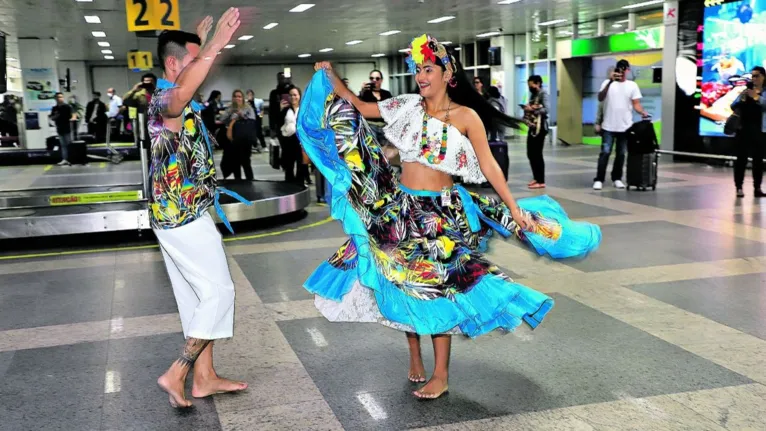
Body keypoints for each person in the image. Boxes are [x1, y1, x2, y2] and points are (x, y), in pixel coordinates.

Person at [301, 34, 601, 400]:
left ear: (447, 74)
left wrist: (513, 207)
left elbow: (489, 166)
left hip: (440, 214)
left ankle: (441, 374)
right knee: (397, 278)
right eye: (417, 70)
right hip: (401, 208)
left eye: (428, 69)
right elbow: (359, 107)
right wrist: (330, 76)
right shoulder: (406, 106)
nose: (421, 76)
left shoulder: (465, 117)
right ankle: (415, 354)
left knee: (438, 286)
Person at [148, 10, 251, 408]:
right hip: (182, 217)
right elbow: (181, 94)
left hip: (177, 215)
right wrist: (213, 47)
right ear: (173, 64)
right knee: (220, 292)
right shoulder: (164, 99)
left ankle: (204, 378)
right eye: (193, 62)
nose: (201, 71)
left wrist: (205, 48)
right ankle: (178, 371)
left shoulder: (175, 98)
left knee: (196, 298)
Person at [594, 59, 649, 190]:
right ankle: (599, 179)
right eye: (619, 69)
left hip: (625, 126)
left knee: (621, 153)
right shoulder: (607, 83)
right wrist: (611, 81)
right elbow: (600, 98)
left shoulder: (632, 86)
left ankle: (617, 178)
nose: (622, 72)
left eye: (624, 69)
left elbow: (636, 103)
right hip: (608, 125)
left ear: (628, 70)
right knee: (605, 152)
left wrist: (642, 112)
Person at [730, 66, 765, 198]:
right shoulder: (745, 91)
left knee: (758, 161)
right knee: (741, 160)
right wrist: (742, 98)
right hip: (743, 130)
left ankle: (757, 188)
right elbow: (733, 105)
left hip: (760, 131)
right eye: (753, 76)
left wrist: (757, 97)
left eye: (757, 76)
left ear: (763, 77)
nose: (754, 79)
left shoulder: (764, 92)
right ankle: (739, 187)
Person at [221, 89, 256, 180]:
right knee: (235, 163)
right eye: (235, 96)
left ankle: (250, 181)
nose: (237, 98)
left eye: (239, 96)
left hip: (245, 139)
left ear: (242, 98)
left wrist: (242, 116)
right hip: (233, 139)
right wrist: (230, 113)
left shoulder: (248, 108)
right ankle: (238, 181)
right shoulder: (229, 108)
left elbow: (253, 121)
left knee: (246, 162)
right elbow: (222, 120)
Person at [523, 75, 549, 189]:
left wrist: (533, 109)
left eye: (531, 85)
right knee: (530, 153)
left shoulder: (543, 94)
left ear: (538, 83)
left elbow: (547, 109)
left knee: (537, 153)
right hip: (532, 126)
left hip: (540, 127)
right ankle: (536, 177)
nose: (530, 87)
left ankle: (541, 180)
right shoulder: (533, 95)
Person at [280, 86, 308, 184]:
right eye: (291, 95)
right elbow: (279, 124)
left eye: (295, 95)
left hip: (301, 141)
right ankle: (289, 187)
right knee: (289, 166)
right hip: (289, 141)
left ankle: (300, 186)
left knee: (301, 166)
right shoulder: (285, 110)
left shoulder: (304, 109)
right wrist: (281, 110)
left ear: (299, 96)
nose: (293, 97)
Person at [50, 92, 74, 166]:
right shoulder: (54, 108)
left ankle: (71, 159)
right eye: (58, 97)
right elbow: (52, 118)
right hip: (59, 128)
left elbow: (71, 116)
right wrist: (56, 116)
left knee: (69, 144)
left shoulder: (67, 107)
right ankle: (64, 159)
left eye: (61, 97)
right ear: (55, 98)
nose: (60, 98)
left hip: (67, 128)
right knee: (63, 144)